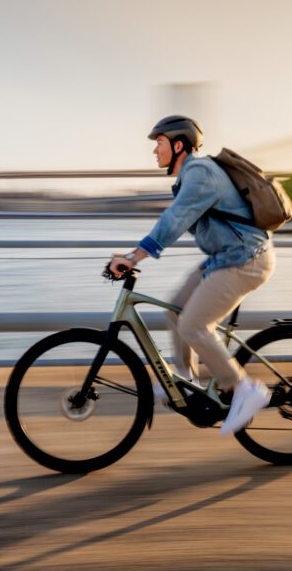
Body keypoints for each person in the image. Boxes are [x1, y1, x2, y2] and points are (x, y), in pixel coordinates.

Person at [109, 115, 275, 435]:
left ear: (179, 144)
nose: (155, 151)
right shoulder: (190, 176)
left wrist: (134, 256)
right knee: (175, 311)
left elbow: (175, 219)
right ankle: (186, 381)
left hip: (246, 259)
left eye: (159, 144)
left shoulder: (199, 172)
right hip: (225, 258)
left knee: (193, 324)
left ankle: (244, 390)